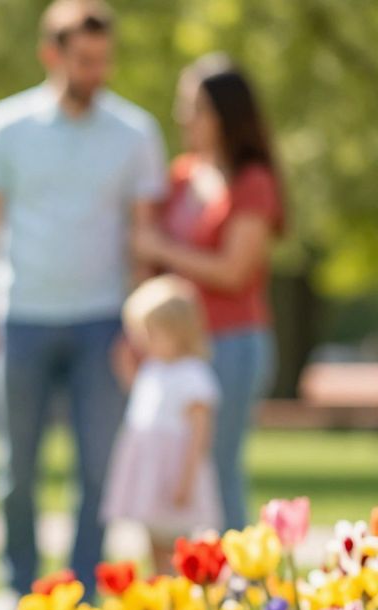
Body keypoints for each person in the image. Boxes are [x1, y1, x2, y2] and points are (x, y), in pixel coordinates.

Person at [0, 0, 167, 610]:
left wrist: (138, 328)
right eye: (84, 60)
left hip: (103, 321)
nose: (96, 71)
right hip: (20, 317)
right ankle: (15, 587)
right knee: (16, 466)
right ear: (52, 54)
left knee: (98, 467)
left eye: (104, 60)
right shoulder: (6, 125)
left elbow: (142, 238)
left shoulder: (136, 133)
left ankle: (83, 592)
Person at [133, 55, 284, 531]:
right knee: (171, 461)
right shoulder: (179, 177)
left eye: (195, 107)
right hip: (176, 349)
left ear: (226, 115)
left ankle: (240, 582)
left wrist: (163, 247)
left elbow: (234, 272)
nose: (184, 118)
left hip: (233, 341)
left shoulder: (252, 182)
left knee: (217, 465)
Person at [102, 276, 221, 572]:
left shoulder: (193, 375)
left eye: (150, 334)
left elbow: (199, 434)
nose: (143, 342)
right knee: (152, 535)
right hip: (148, 472)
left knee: (176, 541)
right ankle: (160, 588)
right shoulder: (152, 369)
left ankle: (180, 596)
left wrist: (186, 481)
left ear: (177, 332)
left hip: (174, 471)